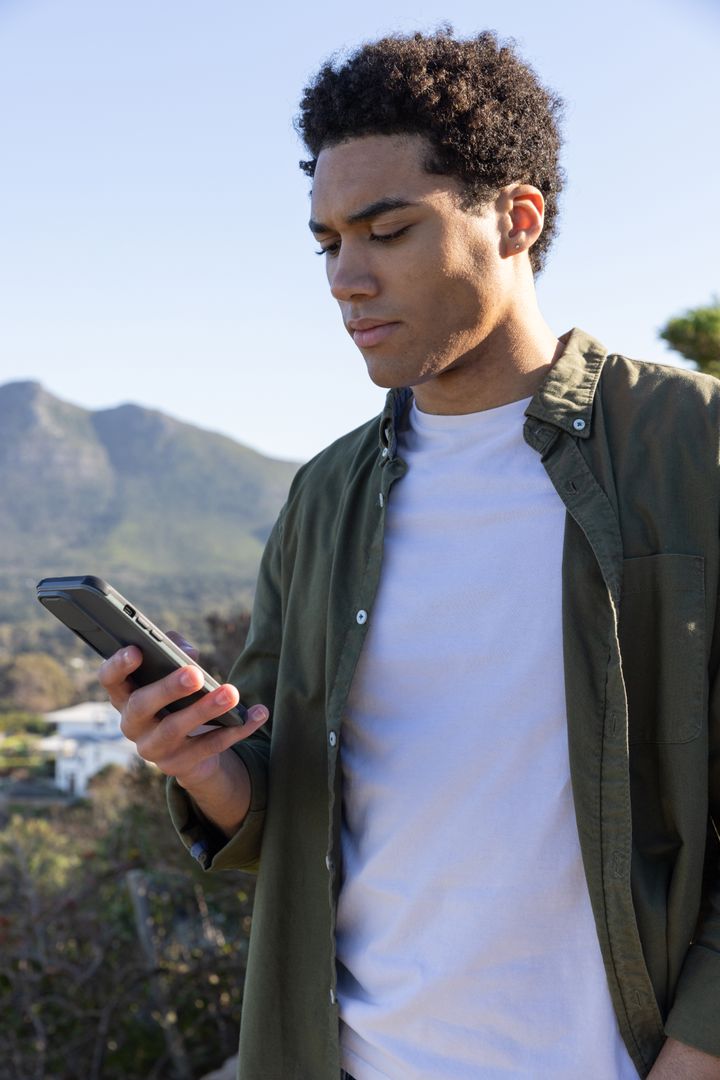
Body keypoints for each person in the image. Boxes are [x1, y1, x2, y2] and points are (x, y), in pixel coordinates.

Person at [100, 29, 720, 1080]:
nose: (346, 278)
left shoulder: (688, 448)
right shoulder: (325, 496)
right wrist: (203, 767)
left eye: (387, 230)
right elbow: (277, 801)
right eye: (328, 241)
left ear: (516, 219)